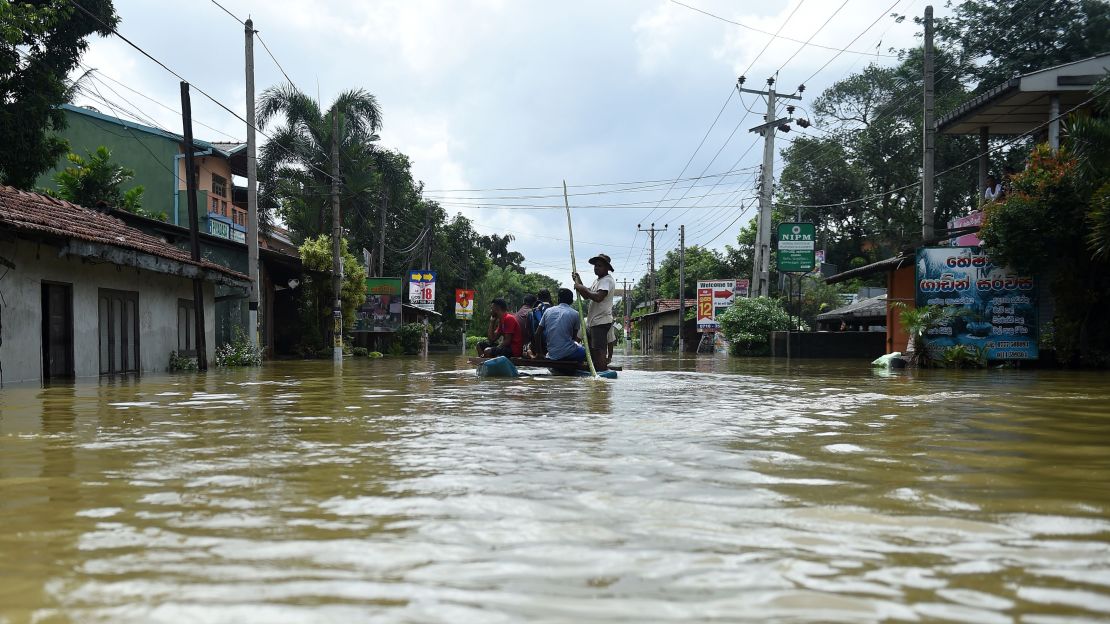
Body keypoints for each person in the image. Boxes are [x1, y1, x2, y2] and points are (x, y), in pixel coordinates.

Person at [573, 252, 616, 370]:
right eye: (595, 266)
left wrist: (581, 287)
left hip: (600, 321)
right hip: (594, 322)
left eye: (599, 266)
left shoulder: (607, 280)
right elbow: (587, 296)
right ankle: (596, 369)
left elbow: (598, 297)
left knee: (599, 350)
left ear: (607, 268)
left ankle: (601, 374)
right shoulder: (598, 281)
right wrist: (579, 281)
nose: (596, 268)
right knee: (593, 350)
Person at [536, 288, 585, 362]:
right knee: (583, 351)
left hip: (551, 354)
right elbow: (574, 338)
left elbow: (537, 334)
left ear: (558, 299)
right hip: (567, 353)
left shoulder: (548, 311)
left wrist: (539, 353)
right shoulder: (575, 314)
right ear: (571, 301)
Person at [529, 289, 553, 356]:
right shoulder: (555, 311)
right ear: (549, 298)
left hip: (536, 350)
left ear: (538, 298)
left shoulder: (531, 313)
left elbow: (530, 333)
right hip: (552, 349)